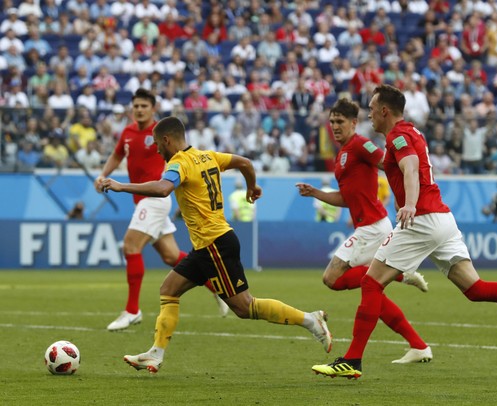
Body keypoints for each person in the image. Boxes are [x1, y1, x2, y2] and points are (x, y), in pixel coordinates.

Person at [312, 84, 497, 379]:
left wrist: (409, 204)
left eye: (372, 108)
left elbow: (410, 167)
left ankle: (353, 360)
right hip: (442, 219)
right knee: (476, 289)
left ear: (384, 110)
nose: (369, 114)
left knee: (371, 284)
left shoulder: (398, 136)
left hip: (421, 219)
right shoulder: (412, 133)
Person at [100, 116, 332, 373]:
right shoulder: (207, 156)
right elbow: (245, 162)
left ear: (167, 140)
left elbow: (164, 188)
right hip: (207, 246)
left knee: (245, 307)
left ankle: (311, 320)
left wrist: (122, 186)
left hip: (215, 245)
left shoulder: (179, 163)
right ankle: (156, 353)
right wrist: (251, 186)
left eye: (157, 143)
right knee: (169, 289)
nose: (155, 149)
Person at [296, 98, 430, 365]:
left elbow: (386, 161)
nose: (334, 126)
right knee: (374, 292)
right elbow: (347, 198)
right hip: (367, 225)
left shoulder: (360, 144)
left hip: (372, 226)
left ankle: (400, 274)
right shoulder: (342, 154)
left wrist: (408, 185)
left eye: (340, 121)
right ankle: (419, 345)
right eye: (332, 121)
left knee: (332, 278)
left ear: (354, 123)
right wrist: (316, 193)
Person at [94, 88, 227, 332]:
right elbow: (115, 156)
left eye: (144, 106)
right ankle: (216, 287)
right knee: (170, 256)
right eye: (136, 106)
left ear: (153, 108)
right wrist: (103, 175)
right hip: (143, 201)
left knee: (130, 246)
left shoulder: (162, 134)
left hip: (154, 198)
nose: (139, 110)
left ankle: (132, 310)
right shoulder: (127, 132)